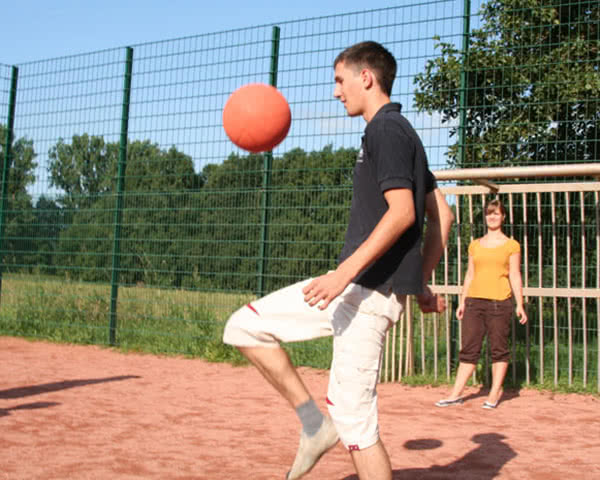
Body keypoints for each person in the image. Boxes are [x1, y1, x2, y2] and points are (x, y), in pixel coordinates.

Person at [223, 41, 454, 480]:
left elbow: (404, 212)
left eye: (339, 80)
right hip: (356, 288)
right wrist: (419, 281)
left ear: (365, 77)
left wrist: (343, 274)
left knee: (356, 424)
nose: (335, 92)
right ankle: (314, 425)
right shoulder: (403, 132)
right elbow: (444, 214)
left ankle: (327, 426)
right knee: (244, 326)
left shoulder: (386, 129)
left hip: (363, 291)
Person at [435, 198, 527, 410]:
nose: (492, 217)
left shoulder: (512, 245)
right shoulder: (475, 245)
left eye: (496, 213)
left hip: (499, 303)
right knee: (469, 349)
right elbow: (469, 274)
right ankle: (455, 394)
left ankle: (494, 394)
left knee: (499, 350)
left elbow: (515, 275)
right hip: (474, 303)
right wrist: (463, 301)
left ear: (503, 216)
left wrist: (519, 304)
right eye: (488, 213)